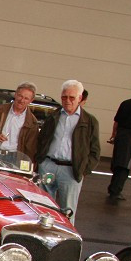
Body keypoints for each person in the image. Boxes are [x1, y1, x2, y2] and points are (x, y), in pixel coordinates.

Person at [35, 80, 100, 223]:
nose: (67, 101)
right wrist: (40, 161)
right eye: (64, 97)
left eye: (72, 97)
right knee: (42, 207)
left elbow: (95, 150)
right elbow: (42, 139)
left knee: (67, 212)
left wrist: (83, 170)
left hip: (71, 171)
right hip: (48, 166)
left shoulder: (89, 121)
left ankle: (65, 241)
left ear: (80, 98)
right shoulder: (53, 116)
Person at [0, 81, 40, 159]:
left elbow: (31, 149)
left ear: (31, 101)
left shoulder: (32, 122)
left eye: (26, 98)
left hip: (15, 159)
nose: (22, 100)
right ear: (15, 94)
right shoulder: (1, 110)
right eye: (20, 96)